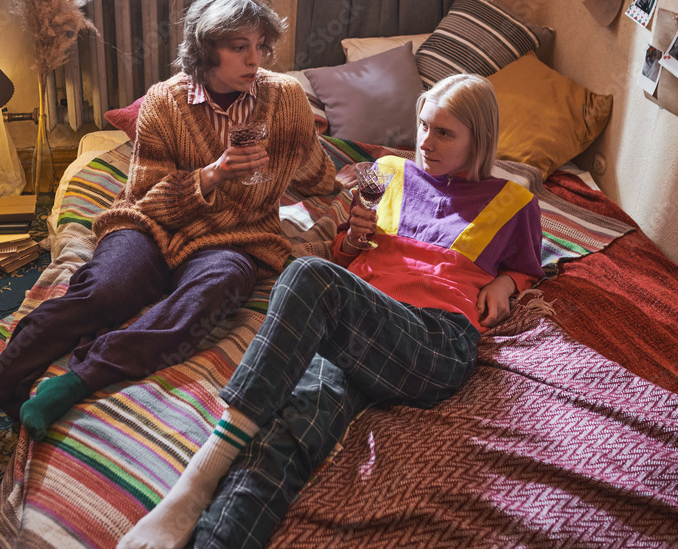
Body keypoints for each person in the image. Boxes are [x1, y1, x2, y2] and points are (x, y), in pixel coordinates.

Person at [0, 0, 343, 474]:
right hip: (153, 224)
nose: (256, 59)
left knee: (208, 296)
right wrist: (212, 174)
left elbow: (317, 176)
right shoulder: (165, 102)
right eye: (239, 47)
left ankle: (77, 380)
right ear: (206, 49)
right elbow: (147, 198)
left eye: (261, 47)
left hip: (235, 235)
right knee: (105, 289)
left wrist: (321, 154)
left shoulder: (284, 96)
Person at [118, 74, 545, 549]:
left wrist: (507, 281)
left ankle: (198, 477)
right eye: (423, 126)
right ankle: (211, 532)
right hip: (358, 325)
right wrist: (354, 238)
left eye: (445, 133)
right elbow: (345, 255)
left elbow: (529, 266)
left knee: (308, 274)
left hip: (433, 342)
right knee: (292, 425)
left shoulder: (516, 202)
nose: (426, 142)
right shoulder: (384, 170)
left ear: (479, 138)